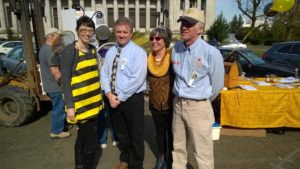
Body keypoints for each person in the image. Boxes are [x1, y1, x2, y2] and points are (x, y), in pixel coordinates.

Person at [171, 8, 224, 169]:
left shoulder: (211, 53)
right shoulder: (176, 49)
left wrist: (201, 102)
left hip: (199, 108)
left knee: (203, 153)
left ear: (200, 29)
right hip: (178, 105)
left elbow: (217, 85)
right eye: (183, 23)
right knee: (178, 149)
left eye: (189, 24)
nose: (184, 27)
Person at [101, 17, 147, 169]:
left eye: (125, 32)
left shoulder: (138, 52)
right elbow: (105, 74)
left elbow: (137, 79)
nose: (121, 35)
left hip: (132, 99)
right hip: (113, 98)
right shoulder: (110, 52)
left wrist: (118, 97)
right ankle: (125, 159)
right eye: (118, 32)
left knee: (136, 134)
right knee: (122, 133)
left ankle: (136, 164)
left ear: (131, 33)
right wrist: (108, 94)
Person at [60, 16, 103, 169]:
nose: (87, 33)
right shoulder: (70, 51)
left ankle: (79, 165)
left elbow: (95, 75)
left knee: (82, 138)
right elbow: (65, 81)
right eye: (83, 30)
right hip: (79, 106)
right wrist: (70, 107)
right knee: (92, 143)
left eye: (90, 30)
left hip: (93, 104)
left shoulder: (92, 49)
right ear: (77, 30)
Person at [147, 27, 174, 169]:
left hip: (171, 103)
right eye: (152, 38)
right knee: (159, 133)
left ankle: (171, 160)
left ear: (165, 40)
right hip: (155, 103)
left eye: (158, 38)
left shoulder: (173, 56)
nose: (154, 41)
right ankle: (161, 158)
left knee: (171, 132)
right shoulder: (148, 57)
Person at [39, 27, 71, 139]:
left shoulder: (43, 49)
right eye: (58, 37)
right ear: (52, 36)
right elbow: (55, 71)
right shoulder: (49, 51)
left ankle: (60, 126)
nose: (60, 39)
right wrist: (65, 84)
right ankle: (56, 131)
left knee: (57, 107)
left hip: (49, 85)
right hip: (55, 86)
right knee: (59, 108)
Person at [95, 25, 119, 149]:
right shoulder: (116, 48)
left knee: (102, 114)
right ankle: (115, 138)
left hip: (101, 87)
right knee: (114, 114)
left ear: (97, 36)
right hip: (114, 87)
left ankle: (102, 140)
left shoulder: (96, 50)